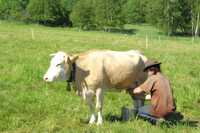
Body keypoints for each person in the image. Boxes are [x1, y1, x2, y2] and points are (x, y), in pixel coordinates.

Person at [133, 60, 176, 124]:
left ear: (153, 70)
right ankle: (168, 118)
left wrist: (132, 86)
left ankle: (157, 120)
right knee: (150, 107)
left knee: (139, 111)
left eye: (148, 71)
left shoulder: (153, 78)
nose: (147, 73)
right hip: (171, 110)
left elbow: (136, 91)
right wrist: (145, 97)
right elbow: (160, 94)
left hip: (160, 111)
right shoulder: (165, 78)